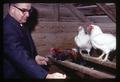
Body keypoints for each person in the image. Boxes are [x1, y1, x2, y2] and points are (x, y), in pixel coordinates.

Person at [3, 3, 66, 79]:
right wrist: (45, 75)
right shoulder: (6, 28)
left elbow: (24, 48)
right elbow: (19, 55)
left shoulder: (20, 23)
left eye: (29, 11)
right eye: (24, 10)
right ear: (12, 9)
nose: (28, 15)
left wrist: (34, 58)